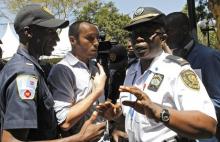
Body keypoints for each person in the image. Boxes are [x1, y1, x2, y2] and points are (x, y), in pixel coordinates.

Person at [96, 7, 217, 142]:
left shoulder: (177, 70)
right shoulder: (131, 70)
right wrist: (116, 115)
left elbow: (208, 126)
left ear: (163, 38)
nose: (138, 39)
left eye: (146, 33)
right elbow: (133, 117)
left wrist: (159, 112)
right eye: (134, 34)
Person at [0, 4, 105, 142]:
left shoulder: (30, 67)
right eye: (50, 32)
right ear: (28, 32)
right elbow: (11, 141)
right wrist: (79, 139)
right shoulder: (25, 75)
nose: (56, 38)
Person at [165, 12, 220, 141]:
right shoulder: (169, 60)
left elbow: (218, 100)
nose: (165, 36)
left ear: (184, 29)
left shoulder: (208, 57)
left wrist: (183, 113)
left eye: (169, 31)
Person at [47, 21, 107, 137]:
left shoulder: (95, 67)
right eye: (90, 38)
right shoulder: (62, 70)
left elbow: (97, 107)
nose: (96, 43)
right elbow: (64, 122)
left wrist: (110, 113)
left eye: (97, 38)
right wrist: (97, 92)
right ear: (73, 40)